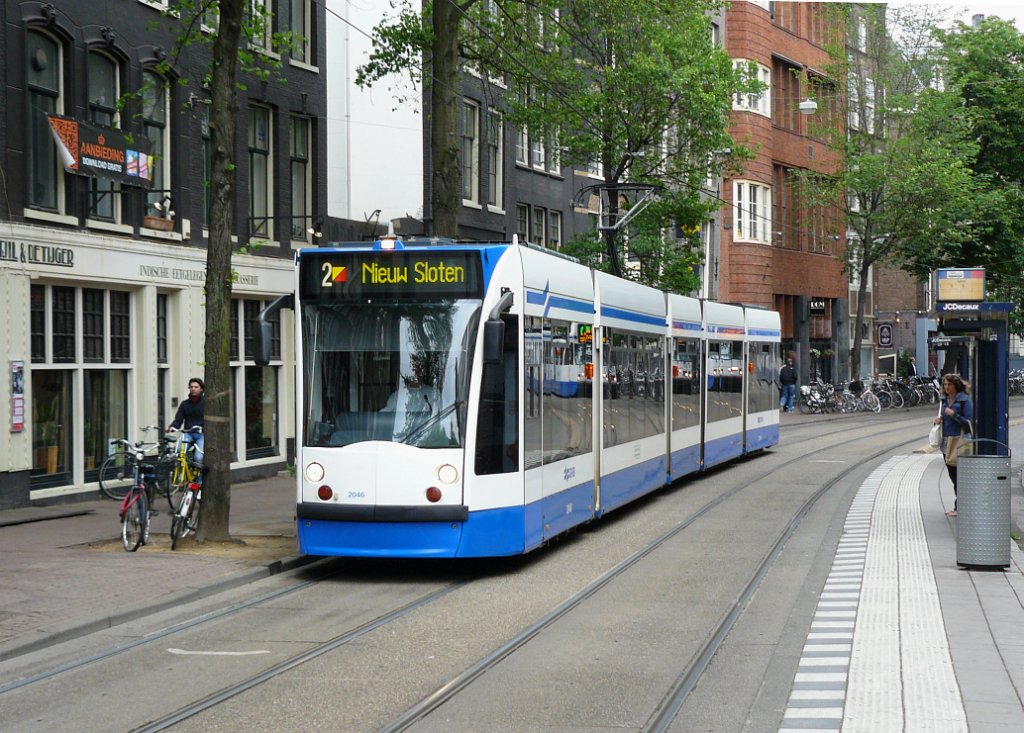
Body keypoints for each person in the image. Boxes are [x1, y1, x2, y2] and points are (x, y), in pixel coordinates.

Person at [934, 373, 972, 517]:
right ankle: (960, 505)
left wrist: (953, 415)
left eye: (949, 384)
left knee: (958, 476)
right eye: (944, 384)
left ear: (956, 385)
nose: (946, 387)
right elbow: (944, 417)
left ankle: (960, 506)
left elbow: (968, 423)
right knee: (952, 475)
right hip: (946, 442)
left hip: (959, 442)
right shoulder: (944, 401)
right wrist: (938, 420)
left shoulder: (964, 401)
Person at [167, 377, 205, 469]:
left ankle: (199, 481)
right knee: (179, 451)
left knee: (198, 458)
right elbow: (178, 419)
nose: (193, 389)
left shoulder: (206, 403)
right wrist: (172, 427)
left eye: (196, 387)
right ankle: (185, 472)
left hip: (201, 434)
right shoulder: (185, 404)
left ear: (201, 389)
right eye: (191, 387)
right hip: (188, 433)